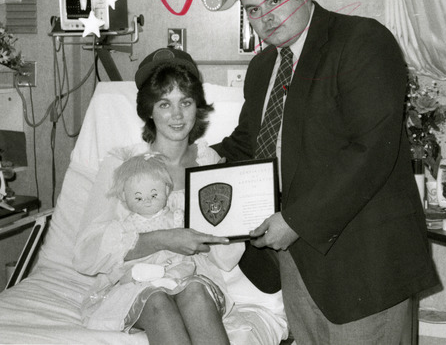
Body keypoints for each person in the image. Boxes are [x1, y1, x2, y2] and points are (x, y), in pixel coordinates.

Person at [213, 0, 440, 344]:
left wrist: (296, 221)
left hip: (364, 262)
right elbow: (247, 143)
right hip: (298, 265)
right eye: (253, 9)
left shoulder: (361, 40)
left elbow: (372, 149)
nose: (265, 16)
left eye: (274, 0)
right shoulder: (263, 67)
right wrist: (189, 162)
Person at [73, 47, 287, 345]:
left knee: (195, 292)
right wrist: (164, 238)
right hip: (137, 281)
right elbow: (86, 252)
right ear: (148, 110)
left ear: (196, 106)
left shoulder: (209, 162)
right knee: (158, 300)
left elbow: (225, 256)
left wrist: (244, 215)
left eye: (185, 102)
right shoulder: (122, 163)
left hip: (193, 279)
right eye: (164, 104)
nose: (176, 115)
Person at [77, 152, 230, 342]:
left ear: (166, 191)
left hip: (180, 273)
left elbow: (219, 245)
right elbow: (91, 254)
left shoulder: (179, 215)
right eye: (139, 197)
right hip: (141, 284)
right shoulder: (123, 227)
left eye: (154, 194)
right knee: (155, 300)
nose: (148, 201)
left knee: (196, 291)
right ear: (124, 197)